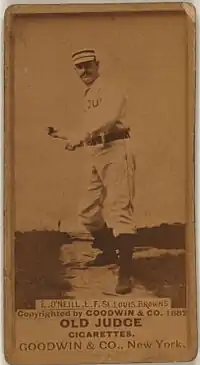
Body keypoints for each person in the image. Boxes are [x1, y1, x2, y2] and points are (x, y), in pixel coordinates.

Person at [57, 49, 136, 294]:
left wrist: (81, 136)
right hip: (95, 151)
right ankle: (108, 252)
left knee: (119, 208)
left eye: (88, 65)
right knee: (87, 212)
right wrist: (68, 135)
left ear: (97, 64)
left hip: (115, 148)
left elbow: (108, 119)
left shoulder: (111, 87)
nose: (84, 71)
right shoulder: (88, 93)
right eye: (79, 67)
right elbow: (88, 127)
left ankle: (126, 274)